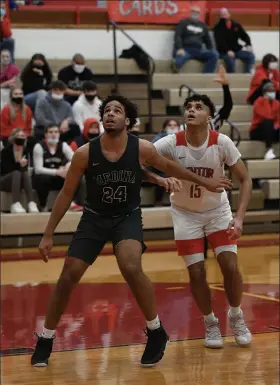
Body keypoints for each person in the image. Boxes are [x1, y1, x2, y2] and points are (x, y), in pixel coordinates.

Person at [30, 94, 232, 367]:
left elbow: (171, 166)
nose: (110, 114)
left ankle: (156, 330)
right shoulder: (84, 154)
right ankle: (46, 338)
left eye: (117, 110)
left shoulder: (142, 148)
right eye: (107, 110)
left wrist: (205, 182)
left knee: (130, 265)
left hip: (126, 217)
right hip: (94, 219)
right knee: (68, 275)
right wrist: (47, 234)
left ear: (128, 121)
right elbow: (66, 194)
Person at [151, 93, 253, 349]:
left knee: (229, 266)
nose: (191, 110)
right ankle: (210, 321)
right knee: (196, 273)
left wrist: (239, 218)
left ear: (209, 116)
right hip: (185, 213)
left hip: (217, 212)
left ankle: (236, 314)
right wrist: (160, 179)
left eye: (198, 107)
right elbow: (139, 160)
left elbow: (245, 179)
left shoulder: (222, 142)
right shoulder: (171, 143)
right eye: (188, 107)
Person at [32, 124, 75, 211]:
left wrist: (67, 166)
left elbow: (75, 159)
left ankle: (71, 202)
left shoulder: (63, 145)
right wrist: (57, 172)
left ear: (59, 134)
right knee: (43, 178)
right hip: (42, 178)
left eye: (56, 132)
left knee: (73, 175)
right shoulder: (39, 147)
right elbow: (38, 170)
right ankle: (43, 206)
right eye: (50, 132)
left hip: (57, 177)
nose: (53, 134)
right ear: (45, 134)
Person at [0, 128, 39, 213]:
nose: (20, 138)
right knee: (17, 173)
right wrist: (18, 164)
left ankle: (31, 203)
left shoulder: (25, 151)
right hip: (5, 180)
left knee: (24, 173)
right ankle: (15, 203)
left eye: (22, 136)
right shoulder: (6, 151)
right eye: (18, 136)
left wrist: (23, 166)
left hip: (19, 181)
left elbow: (24, 171)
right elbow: (4, 169)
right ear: (13, 138)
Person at [172, 5, 218, 73]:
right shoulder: (183, 23)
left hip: (198, 50)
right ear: (190, 12)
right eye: (193, 11)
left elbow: (208, 40)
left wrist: (211, 49)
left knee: (214, 55)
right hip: (186, 49)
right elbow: (177, 36)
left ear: (199, 14)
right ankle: (175, 71)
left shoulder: (203, 26)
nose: (195, 14)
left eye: (197, 12)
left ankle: (206, 75)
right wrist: (179, 48)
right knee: (178, 62)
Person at [213, 8, 255, 74]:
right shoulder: (217, 27)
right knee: (230, 60)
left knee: (250, 55)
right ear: (220, 16)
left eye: (225, 14)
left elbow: (244, 36)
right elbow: (219, 41)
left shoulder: (236, 25)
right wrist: (227, 51)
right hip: (223, 52)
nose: (224, 16)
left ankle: (248, 74)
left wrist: (248, 45)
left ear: (229, 14)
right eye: (222, 15)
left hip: (236, 50)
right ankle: (232, 77)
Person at [250, 82, 280, 160]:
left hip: (271, 130)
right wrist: (266, 101)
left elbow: (278, 118)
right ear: (265, 93)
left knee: (274, 125)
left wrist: (277, 125)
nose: (272, 93)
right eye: (270, 91)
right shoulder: (258, 102)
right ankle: (268, 149)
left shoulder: (277, 103)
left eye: (273, 91)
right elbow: (267, 115)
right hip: (257, 131)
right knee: (268, 121)